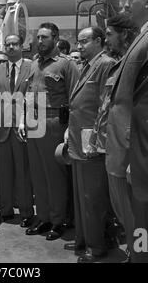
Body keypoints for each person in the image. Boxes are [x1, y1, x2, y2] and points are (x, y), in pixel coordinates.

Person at [87, 14, 138, 262]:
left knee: (135, 214)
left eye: (109, 34)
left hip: (128, 151)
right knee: (122, 212)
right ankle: (133, 251)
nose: (106, 38)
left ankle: (139, 254)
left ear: (125, 34)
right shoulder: (120, 63)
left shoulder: (137, 62)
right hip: (113, 149)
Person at [22, 23, 79, 239]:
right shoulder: (35, 63)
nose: (40, 41)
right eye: (38, 37)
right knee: (37, 173)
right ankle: (43, 217)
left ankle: (58, 220)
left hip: (55, 121)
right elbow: (29, 92)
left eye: (44, 37)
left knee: (54, 175)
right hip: (33, 120)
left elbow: (75, 98)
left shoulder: (66, 64)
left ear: (55, 38)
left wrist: (69, 130)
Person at [106, 0, 148, 263]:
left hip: (137, 152)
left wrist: (138, 156)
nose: (126, 6)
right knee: (133, 219)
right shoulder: (143, 35)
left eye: (129, 0)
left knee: (140, 219)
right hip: (126, 148)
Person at [66, 26, 116, 263]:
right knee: (82, 196)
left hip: (91, 143)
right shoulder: (87, 65)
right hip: (79, 141)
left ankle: (96, 247)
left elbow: (105, 106)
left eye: (84, 42)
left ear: (98, 41)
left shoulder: (105, 64)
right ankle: (85, 238)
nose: (79, 46)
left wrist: (96, 141)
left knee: (92, 198)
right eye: (78, 42)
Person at [0, 34, 34, 227]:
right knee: (4, 171)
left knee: (23, 172)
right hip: (2, 128)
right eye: (8, 44)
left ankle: (26, 211)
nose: (11, 47)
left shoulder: (32, 67)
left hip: (23, 127)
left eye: (15, 44)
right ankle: (6, 210)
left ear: (21, 46)